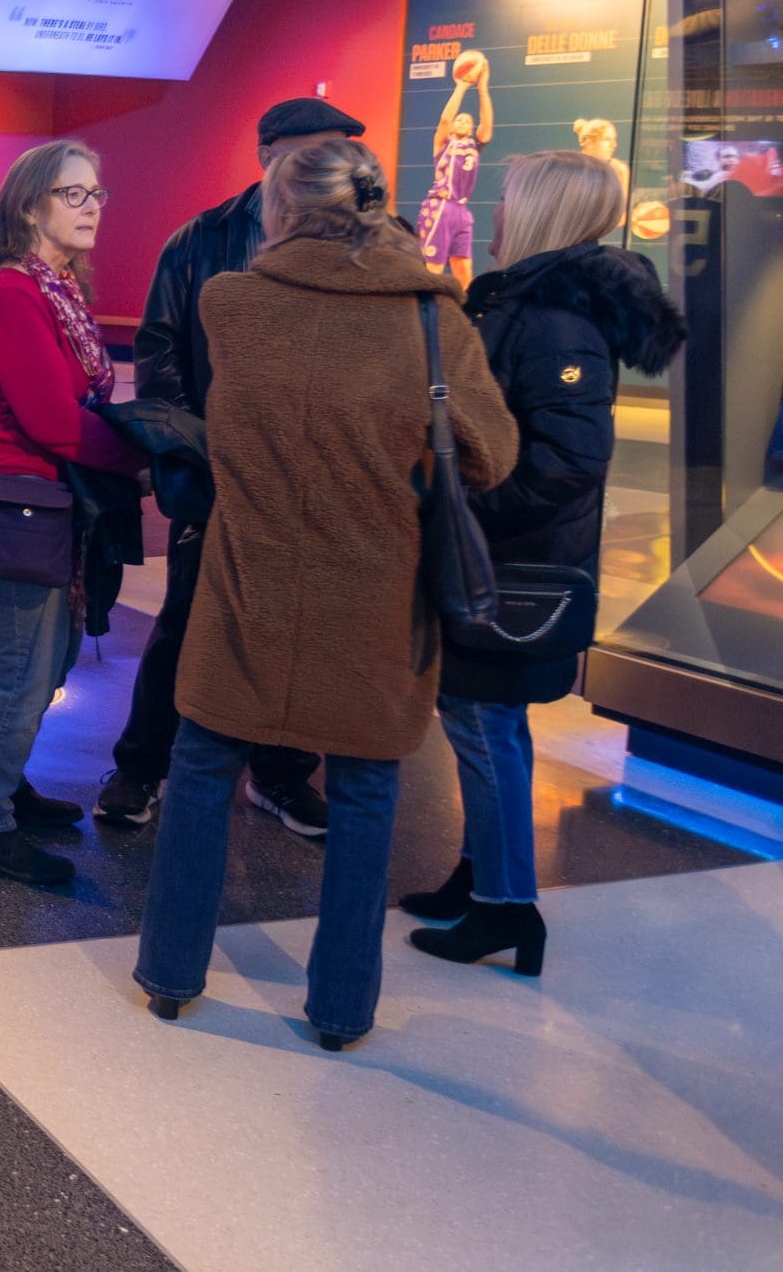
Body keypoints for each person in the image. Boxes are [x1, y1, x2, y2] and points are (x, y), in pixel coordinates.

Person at [135, 140, 516, 1050]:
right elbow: (493, 453)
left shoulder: (231, 302)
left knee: (201, 766)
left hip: (246, 580)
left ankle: (172, 975)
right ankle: (341, 1009)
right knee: (365, 789)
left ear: (279, 208)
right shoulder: (431, 317)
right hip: (376, 594)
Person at [403, 150, 681, 974]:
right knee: (488, 722)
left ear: (541, 212)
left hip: (511, 566)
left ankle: (506, 905)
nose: (492, 211)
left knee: (482, 722)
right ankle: (483, 876)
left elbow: (568, 458)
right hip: (505, 561)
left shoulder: (555, 317)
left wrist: (463, 508)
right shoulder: (532, 303)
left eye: (508, 198)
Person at [96, 98, 363, 834]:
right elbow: (160, 350)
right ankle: (141, 766)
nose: (334, 165)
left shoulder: (365, 240)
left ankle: (280, 774)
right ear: (269, 154)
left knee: (301, 631)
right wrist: (200, 450)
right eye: (319, 149)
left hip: (317, 483)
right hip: (219, 476)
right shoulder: (202, 238)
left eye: (344, 150)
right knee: (189, 619)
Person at [0, 140, 149, 886]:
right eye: (73, 194)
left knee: (52, 660)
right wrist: (142, 460)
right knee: (22, 672)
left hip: (48, 505)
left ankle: (5, 781)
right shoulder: (12, 294)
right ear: (31, 207)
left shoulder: (58, 292)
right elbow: (54, 421)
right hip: (11, 505)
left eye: (97, 193)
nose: (91, 207)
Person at [420, 52, 494, 284]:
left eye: (467, 121)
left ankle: (464, 307)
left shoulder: (475, 145)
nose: (462, 121)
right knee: (434, 269)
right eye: (458, 120)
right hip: (439, 206)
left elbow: (487, 125)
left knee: (463, 271)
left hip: (461, 211)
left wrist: (482, 87)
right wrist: (461, 86)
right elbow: (445, 120)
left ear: (471, 129)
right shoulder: (443, 143)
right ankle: (428, 307)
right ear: (452, 127)